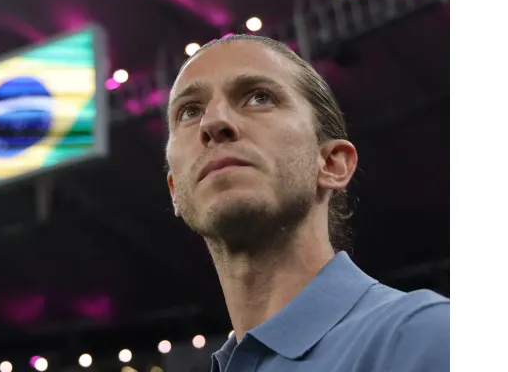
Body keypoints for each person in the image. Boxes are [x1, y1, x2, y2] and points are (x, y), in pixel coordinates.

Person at [164, 35, 449, 371]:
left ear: (331, 163)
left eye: (258, 97)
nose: (212, 123)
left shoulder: (426, 336)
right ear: (174, 190)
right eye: (190, 111)